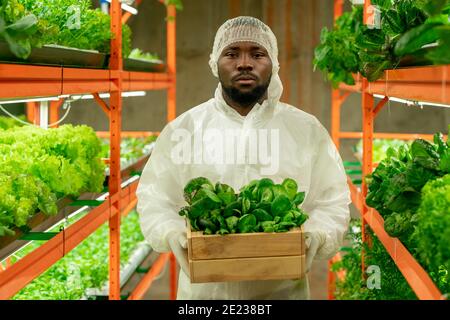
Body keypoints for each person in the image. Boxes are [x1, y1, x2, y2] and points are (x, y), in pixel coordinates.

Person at [136, 16, 350, 300]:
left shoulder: (306, 130)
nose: (244, 63)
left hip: (283, 292)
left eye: (258, 54)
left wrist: (318, 234)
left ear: (273, 62)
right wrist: (172, 233)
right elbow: (155, 199)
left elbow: (331, 201)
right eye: (232, 53)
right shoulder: (184, 130)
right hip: (205, 296)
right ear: (215, 62)